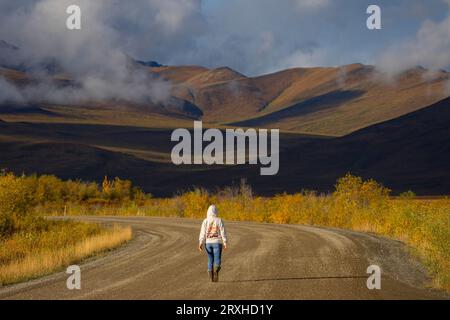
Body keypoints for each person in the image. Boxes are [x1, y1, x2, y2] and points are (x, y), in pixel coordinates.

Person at [198, 204, 228, 282]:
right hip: (217, 243)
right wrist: (224, 242)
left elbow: (202, 233)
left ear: (208, 211)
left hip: (208, 243)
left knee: (210, 259)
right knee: (217, 259)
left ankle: (210, 275)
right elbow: (222, 232)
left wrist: (200, 242)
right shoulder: (219, 220)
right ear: (216, 211)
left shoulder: (205, 221)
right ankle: (216, 271)